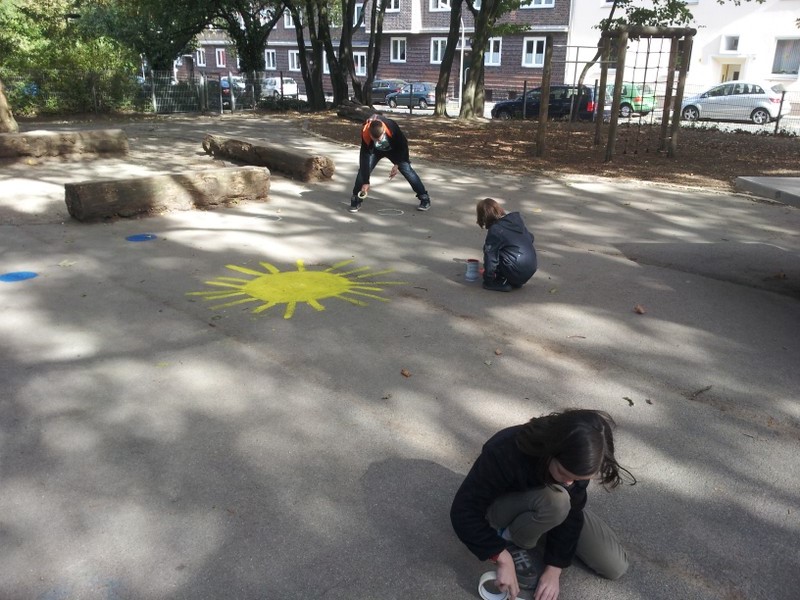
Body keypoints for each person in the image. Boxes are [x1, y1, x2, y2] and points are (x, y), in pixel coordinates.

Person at [450, 409, 635, 600]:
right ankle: (510, 538)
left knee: (615, 566)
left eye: (578, 478)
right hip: (501, 507)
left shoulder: (582, 462)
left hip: (549, 505)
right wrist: (500, 556)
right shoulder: (505, 449)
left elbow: (573, 513)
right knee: (558, 501)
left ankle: (542, 521)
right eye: (564, 472)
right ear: (551, 451)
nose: (569, 482)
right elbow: (463, 511)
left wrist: (554, 568)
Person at [349, 115, 431, 213]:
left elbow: (403, 146)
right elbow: (364, 157)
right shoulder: (365, 132)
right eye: (375, 140)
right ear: (370, 134)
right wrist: (366, 181)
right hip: (374, 152)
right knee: (363, 172)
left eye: (380, 139)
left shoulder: (391, 126)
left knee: (407, 170)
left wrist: (397, 163)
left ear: (384, 131)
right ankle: (356, 198)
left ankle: (424, 198)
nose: (378, 142)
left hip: (393, 150)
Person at [476, 198, 537, 292]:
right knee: (507, 248)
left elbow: (491, 258)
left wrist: (488, 279)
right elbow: (530, 238)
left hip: (517, 270)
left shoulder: (496, 230)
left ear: (484, 217)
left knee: (490, 249)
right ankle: (515, 279)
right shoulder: (515, 220)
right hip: (530, 268)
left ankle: (502, 282)